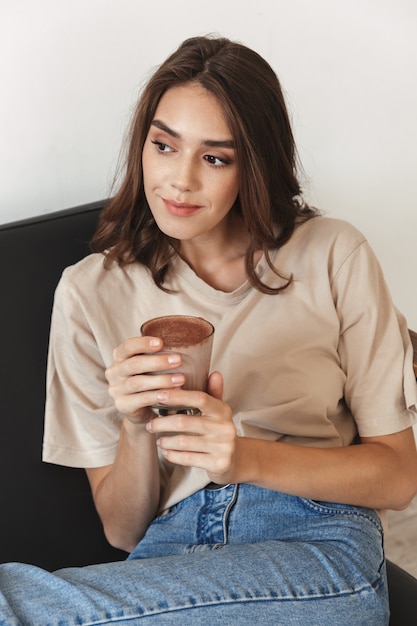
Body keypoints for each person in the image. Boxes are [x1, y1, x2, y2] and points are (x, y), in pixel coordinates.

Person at [1, 35, 416, 626]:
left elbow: (399, 478)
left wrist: (241, 459)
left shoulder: (332, 254)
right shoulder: (90, 290)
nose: (180, 180)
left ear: (255, 164)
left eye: (215, 157)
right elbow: (123, 530)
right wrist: (138, 425)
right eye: (164, 145)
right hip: (167, 556)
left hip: (315, 545)